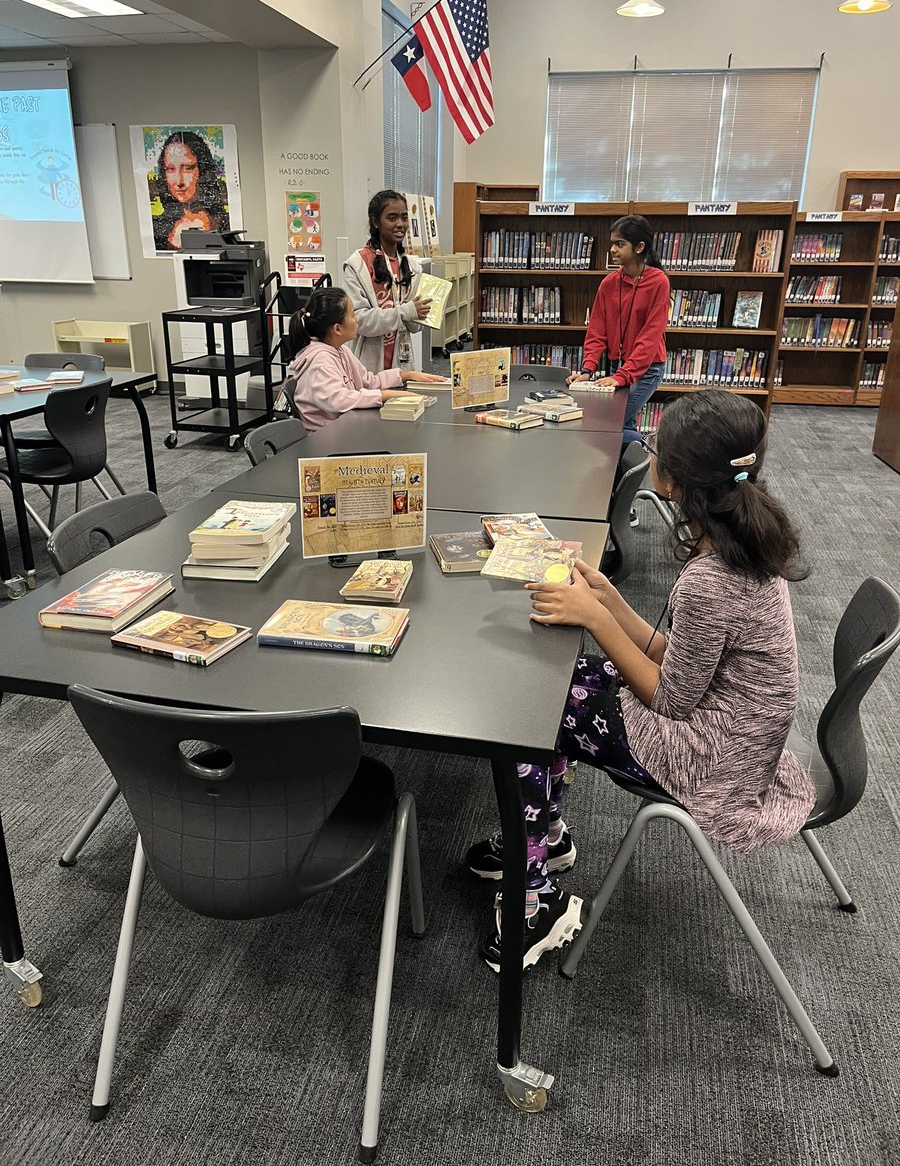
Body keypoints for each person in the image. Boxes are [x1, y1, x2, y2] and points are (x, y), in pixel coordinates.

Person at [465, 390, 816, 972]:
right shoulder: (741, 542)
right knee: (559, 683)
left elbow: (672, 700)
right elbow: (680, 657)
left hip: (710, 755)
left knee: (529, 712)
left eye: (657, 446)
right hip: (732, 730)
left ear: (674, 480)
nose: (650, 450)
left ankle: (536, 904)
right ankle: (543, 839)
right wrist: (610, 599)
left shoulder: (711, 578)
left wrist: (597, 618)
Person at [567, 215, 670, 445]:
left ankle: (654, 454)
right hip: (617, 365)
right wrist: (587, 369)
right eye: (612, 243)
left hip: (647, 369)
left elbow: (650, 338)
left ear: (639, 247)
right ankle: (624, 474)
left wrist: (622, 376)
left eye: (620, 244)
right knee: (623, 426)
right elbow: (596, 332)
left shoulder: (658, 282)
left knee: (608, 424)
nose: (612, 249)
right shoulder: (609, 283)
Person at [285, 286, 444, 432]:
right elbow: (338, 401)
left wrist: (406, 375)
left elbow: (369, 381)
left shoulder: (341, 351)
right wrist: (385, 395)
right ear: (337, 329)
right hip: (326, 443)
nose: (357, 320)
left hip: (345, 431)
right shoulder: (320, 362)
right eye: (353, 315)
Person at [343, 190, 432, 373]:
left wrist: (425, 312)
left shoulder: (413, 267)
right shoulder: (357, 265)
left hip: (403, 365)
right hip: (368, 367)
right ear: (375, 222)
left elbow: (414, 327)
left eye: (404, 218)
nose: (400, 224)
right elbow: (359, 321)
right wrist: (405, 311)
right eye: (392, 218)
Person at [151, 131, 227, 251]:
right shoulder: (159, 226)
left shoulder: (223, 221)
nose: (179, 181)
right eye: (170, 169)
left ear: (202, 170)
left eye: (187, 168)